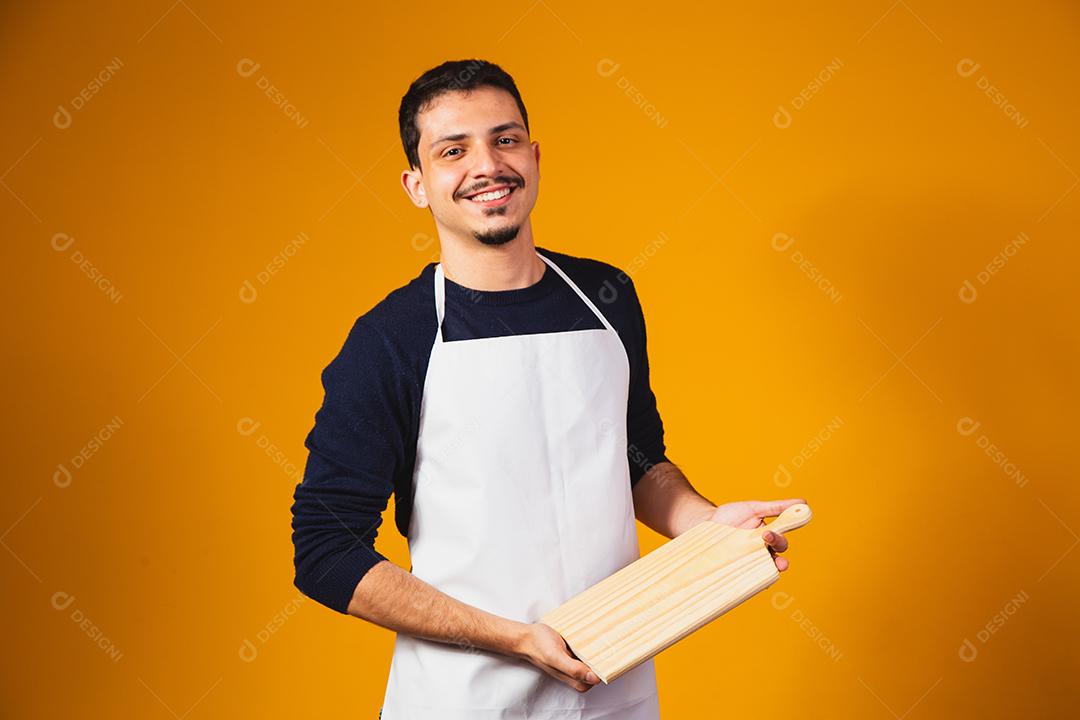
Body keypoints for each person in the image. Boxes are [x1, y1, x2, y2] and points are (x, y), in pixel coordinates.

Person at [290, 58, 804, 720]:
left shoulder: (606, 296)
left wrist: (707, 527)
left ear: (533, 156)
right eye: (454, 150)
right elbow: (325, 549)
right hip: (464, 699)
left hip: (615, 685)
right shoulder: (391, 339)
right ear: (417, 185)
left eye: (504, 140)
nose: (488, 165)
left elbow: (633, 459)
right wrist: (514, 639)